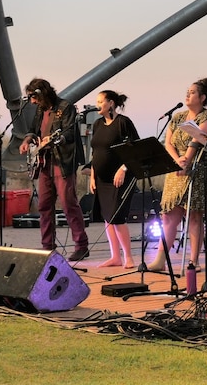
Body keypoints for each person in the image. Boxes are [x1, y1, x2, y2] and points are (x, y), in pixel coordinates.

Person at [148, 78, 207, 271]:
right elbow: (168, 141)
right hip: (175, 167)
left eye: (193, 92)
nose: (188, 94)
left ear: (203, 97)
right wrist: (178, 160)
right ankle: (161, 259)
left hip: (196, 169)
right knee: (169, 215)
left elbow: (197, 139)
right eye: (187, 91)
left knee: (194, 215)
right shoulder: (178, 117)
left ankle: (194, 261)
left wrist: (186, 159)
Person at [18, 78, 89, 261]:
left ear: (42, 93)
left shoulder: (66, 108)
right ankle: (47, 247)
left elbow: (70, 133)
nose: (32, 101)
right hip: (44, 163)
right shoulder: (40, 110)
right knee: (43, 205)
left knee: (68, 203)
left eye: (34, 97)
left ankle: (81, 246)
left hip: (63, 161)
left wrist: (54, 140)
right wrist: (27, 141)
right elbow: (33, 130)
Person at [89, 90, 141, 268]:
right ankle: (115, 256)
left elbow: (135, 148)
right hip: (102, 179)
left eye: (100, 101)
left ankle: (128, 257)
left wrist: (124, 168)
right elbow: (95, 151)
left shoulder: (123, 123)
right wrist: (93, 176)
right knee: (107, 217)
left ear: (111, 103)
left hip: (121, 177)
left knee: (117, 217)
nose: (97, 104)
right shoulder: (97, 124)